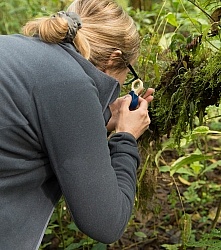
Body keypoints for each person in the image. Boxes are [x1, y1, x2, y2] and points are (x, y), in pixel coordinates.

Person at [0, 0, 154, 249]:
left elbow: (29, 129)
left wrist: (98, 120)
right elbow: (106, 222)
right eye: (129, 72)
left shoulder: (17, 50)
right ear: (115, 58)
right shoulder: (71, 83)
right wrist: (125, 136)